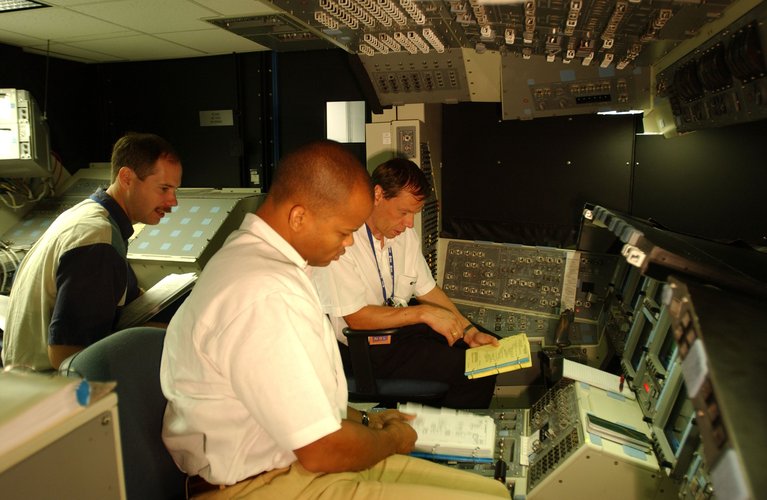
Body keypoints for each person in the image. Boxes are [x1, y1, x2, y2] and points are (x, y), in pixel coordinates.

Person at [160, 140, 509, 499]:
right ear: (299, 217)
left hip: (293, 459)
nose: (347, 244)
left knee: (494, 492)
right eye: (343, 233)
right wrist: (390, 438)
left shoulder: (258, 259)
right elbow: (322, 448)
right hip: (258, 481)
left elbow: (298, 400)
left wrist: (367, 420)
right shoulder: (265, 293)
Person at [312, 157, 498, 409]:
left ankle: (426, 427)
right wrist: (423, 313)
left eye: (414, 214)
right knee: (472, 371)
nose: (410, 223)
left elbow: (428, 291)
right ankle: (455, 441)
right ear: (377, 194)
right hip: (362, 347)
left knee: (486, 352)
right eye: (404, 212)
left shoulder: (404, 237)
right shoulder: (344, 240)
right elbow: (356, 318)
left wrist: (469, 332)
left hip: (396, 331)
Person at [1, 132, 182, 371]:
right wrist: (152, 335)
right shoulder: (97, 239)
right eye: (164, 189)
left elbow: (127, 296)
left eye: (175, 190)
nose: (173, 201)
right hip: (51, 388)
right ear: (126, 178)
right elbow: (68, 356)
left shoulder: (92, 216)